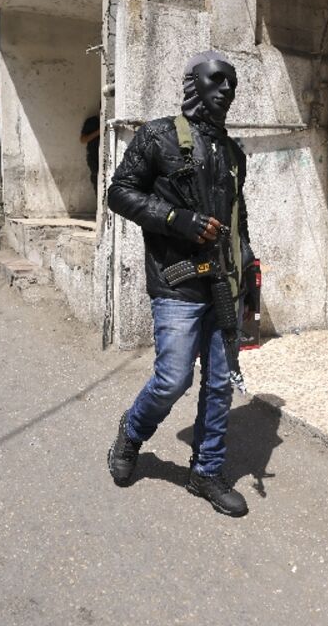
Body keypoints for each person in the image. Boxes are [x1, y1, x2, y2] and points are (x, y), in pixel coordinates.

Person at [105, 51, 256, 517]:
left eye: (232, 83)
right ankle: (131, 434)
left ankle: (206, 472)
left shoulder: (233, 153)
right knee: (173, 379)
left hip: (223, 286)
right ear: (193, 83)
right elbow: (119, 192)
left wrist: (247, 270)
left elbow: (238, 216)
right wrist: (176, 219)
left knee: (219, 386)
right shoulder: (158, 135)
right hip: (177, 283)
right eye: (217, 80)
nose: (226, 89)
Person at [81, 114, 100, 191]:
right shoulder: (92, 121)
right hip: (94, 158)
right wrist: (99, 132)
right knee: (97, 180)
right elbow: (83, 140)